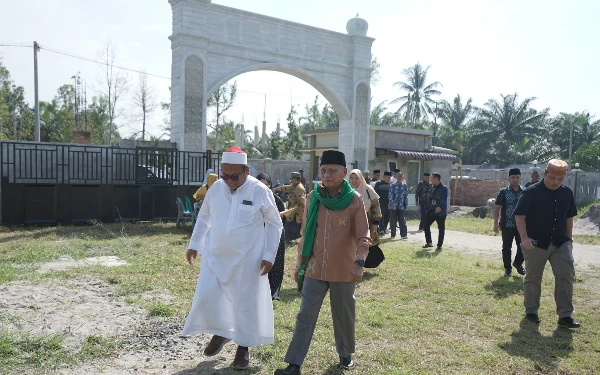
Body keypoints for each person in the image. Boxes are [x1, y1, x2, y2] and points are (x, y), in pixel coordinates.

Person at [182, 146, 283, 371]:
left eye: (234, 176)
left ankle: (242, 349)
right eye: (224, 175)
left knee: (244, 304)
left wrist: (269, 255)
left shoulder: (259, 191)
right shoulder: (216, 188)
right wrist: (195, 245)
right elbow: (205, 217)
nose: (228, 180)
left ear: (247, 170)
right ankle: (221, 333)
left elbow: (275, 224)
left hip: (248, 259)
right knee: (210, 296)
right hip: (215, 256)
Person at [274, 150, 371, 375]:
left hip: (344, 269)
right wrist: (300, 262)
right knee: (305, 314)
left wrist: (359, 262)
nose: (326, 175)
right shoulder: (313, 196)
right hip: (315, 267)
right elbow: (305, 231)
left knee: (343, 314)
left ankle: (345, 354)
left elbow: (363, 234)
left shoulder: (354, 200)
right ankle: (294, 364)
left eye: (332, 171)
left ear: (345, 173)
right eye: (324, 171)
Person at [515, 159, 581, 328]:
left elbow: (569, 217)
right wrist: (524, 239)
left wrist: (569, 239)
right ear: (544, 174)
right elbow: (520, 216)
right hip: (536, 243)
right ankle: (531, 311)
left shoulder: (567, 193)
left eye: (560, 179)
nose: (555, 182)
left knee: (566, 276)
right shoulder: (531, 192)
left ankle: (565, 315)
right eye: (552, 178)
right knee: (533, 278)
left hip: (560, 242)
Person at [257, 172, 287, 301]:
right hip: (257, 236)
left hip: (274, 235)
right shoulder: (252, 199)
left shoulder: (276, 200)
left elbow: (282, 220)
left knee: (275, 263)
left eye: (267, 185)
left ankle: (273, 291)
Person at [493, 168, 526, 277]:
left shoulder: (525, 192)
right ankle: (508, 269)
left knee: (523, 246)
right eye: (513, 177)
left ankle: (518, 263)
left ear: (520, 178)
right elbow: (497, 208)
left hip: (522, 226)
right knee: (506, 247)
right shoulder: (503, 192)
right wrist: (495, 223)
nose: (515, 180)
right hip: (507, 225)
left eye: (517, 177)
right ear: (509, 178)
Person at [349, 169, 382, 250]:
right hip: (351, 222)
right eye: (351, 178)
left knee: (366, 244)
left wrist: (375, 222)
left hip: (367, 221)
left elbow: (376, 206)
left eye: (356, 178)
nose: (354, 180)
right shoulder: (347, 190)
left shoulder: (368, 189)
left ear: (361, 178)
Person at [272, 172, 306, 243]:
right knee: (290, 226)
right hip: (292, 211)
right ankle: (289, 239)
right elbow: (286, 188)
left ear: (297, 180)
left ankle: (290, 239)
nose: (291, 181)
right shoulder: (294, 186)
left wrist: (303, 211)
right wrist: (276, 189)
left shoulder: (299, 188)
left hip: (296, 212)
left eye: (292, 179)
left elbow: (303, 201)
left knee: (291, 226)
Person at [423, 172, 448, 251]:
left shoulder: (444, 188)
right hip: (432, 211)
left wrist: (440, 207)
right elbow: (430, 198)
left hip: (441, 212)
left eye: (432, 178)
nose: (431, 180)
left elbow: (444, 199)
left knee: (441, 229)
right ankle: (429, 242)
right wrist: (429, 208)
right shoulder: (432, 187)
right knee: (426, 225)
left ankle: (439, 246)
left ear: (436, 179)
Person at [388, 171, 408, 239]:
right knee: (393, 220)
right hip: (394, 206)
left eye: (400, 176)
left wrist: (406, 203)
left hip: (401, 205)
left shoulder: (404, 186)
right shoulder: (392, 186)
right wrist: (392, 203)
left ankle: (403, 234)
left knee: (402, 220)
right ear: (396, 177)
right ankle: (393, 234)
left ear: (403, 177)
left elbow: (406, 195)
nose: (399, 177)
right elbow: (390, 195)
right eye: (398, 176)